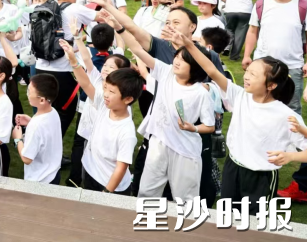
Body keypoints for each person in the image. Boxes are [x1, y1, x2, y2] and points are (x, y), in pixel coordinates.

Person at [185, 37, 306, 216]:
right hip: (233, 167)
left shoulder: (286, 116)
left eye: (253, 74)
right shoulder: (240, 96)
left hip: (261, 177)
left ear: (271, 85)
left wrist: (290, 156)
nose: (246, 76)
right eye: (247, 71)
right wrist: (188, 45)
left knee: (255, 223)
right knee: (227, 216)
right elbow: (211, 69)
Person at [126, 26, 215, 202]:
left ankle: (185, 220)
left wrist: (193, 128)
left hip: (185, 150)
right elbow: (138, 50)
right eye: (177, 57)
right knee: (147, 190)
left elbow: (209, 126)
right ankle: (146, 217)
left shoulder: (201, 93)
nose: (177, 62)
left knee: (185, 198)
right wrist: (119, 29)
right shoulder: (166, 72)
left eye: (183, 60)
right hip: (158, 142)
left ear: (196, 67)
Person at [63, 37, 141, 194]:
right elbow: (86, 83)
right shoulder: (105, 106)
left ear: (128, 99)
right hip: (90, 171)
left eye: (111, 91)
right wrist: (73, 60)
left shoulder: (126, 132)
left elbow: (121, 167)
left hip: (108, 185)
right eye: (105, 89)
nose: (105, 94)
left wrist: (106, 193)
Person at [35, 0, 99, 137]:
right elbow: (103, 17)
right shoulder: (76, 9)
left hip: (39, 67)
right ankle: (51, 146)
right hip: (61, 71)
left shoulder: (44, 8)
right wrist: (104, 1)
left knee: (44, 110)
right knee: (66, 111)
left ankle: (37, 140)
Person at [243, 0, 307, 114]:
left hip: (292, 66)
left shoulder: (303, 6)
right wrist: (247, 55)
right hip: (262, 66)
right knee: (258, 105)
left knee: (291, 108)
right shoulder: (261, 5)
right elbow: (252, 31)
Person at [12, 73, 62, 185]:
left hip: (39, 180)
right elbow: (45, 132)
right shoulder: (53, 112)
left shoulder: (36, 126)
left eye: (29, 91)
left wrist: (18, 139)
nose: (27, 94)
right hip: (53, 173)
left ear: (42, 100)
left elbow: (27, 158)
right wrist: (30, 121)